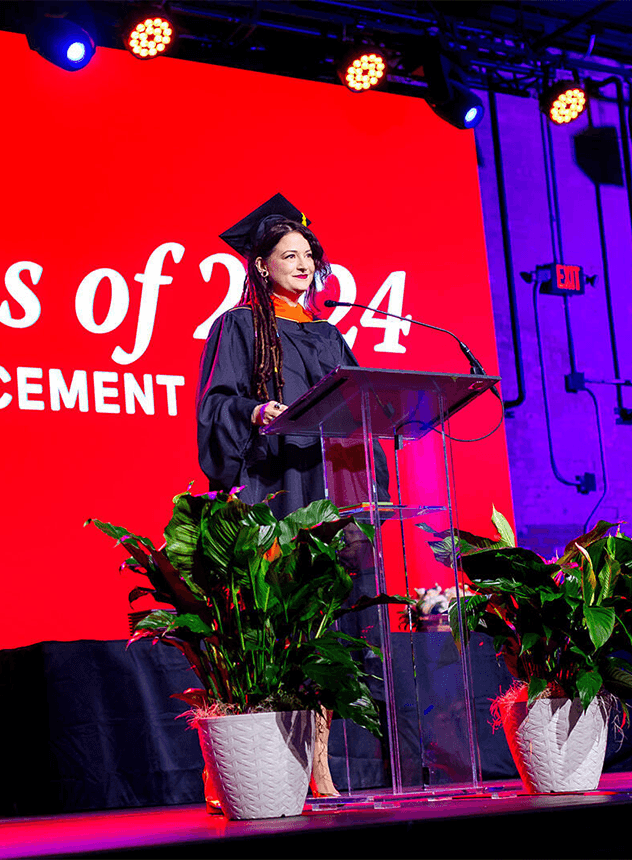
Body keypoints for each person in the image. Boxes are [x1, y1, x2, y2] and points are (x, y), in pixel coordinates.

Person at [197, 195, 390, 797]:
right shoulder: (238, 327)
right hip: (279, 487)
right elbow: (215, 407)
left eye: (308, 254)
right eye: (289, 255)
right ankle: (243, 764)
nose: (303, 264)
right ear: (261, 265)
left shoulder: (330, 335)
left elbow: (362, 403)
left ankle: (320, 760)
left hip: (334, 488)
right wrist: (255, 410)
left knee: (330, 625)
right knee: (281, 622)